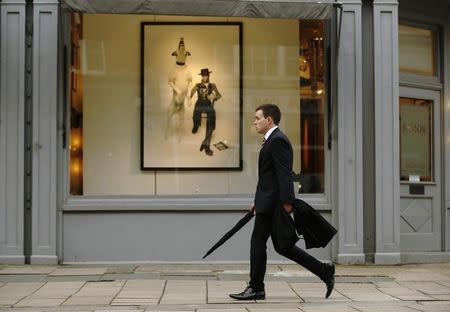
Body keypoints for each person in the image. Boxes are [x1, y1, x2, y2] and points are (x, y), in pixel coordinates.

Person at [229, 104, 335, 301]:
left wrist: (287, 202)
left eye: (257, 118)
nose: (254, 122)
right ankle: (324, 271)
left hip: (275, 205)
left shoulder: (278, 141)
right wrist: (257, 201)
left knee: (258, 242)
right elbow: (268, 177)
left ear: (268, 120)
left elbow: (284, 174)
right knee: (282, 246)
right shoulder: (271, 141)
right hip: (267, 203)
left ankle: (256, 287)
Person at [190, 68, 221, 156]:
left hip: (207, 104)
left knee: (212, 116)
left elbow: (219, 95)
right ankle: (196, 124)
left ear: (208, 76)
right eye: (203, 76)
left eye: (206, 76)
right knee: (196, 113)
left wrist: (213, 97)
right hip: (199, 104)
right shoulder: (198, 85)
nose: (204, 77)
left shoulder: (212, 85)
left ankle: (206, 144)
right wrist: (190, 96)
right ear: (201, 76)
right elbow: (192, 91)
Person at [165, 37, 192, 140]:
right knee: (169, 116)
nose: (182, 54)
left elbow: (189, 82)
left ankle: (180, 135)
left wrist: (188, 97)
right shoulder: (173, 70)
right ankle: (167, 131)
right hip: (175, 100)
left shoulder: (187, 70)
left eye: (184, 53)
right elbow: (170, 82)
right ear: (175, 55)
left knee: (181, 119)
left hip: (182, 102)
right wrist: (178, 90)